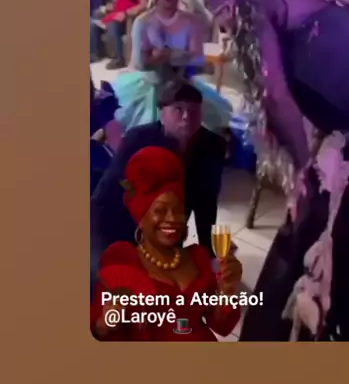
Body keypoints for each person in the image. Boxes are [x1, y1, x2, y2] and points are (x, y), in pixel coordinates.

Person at [201, 0, 349, 342]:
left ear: (228, 3)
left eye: (219, 16)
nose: (224, 30)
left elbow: (275, 96)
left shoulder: (253, 7)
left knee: (330, 243)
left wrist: (303, 169)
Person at [91, 146, 242, 341]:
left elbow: (220, 325)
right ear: (141, 217)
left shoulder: (197, 258)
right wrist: (106, 322)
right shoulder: (123, 261)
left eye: (178, 210)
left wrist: (227, 290)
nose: (172, 219)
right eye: (160, 210)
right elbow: (100, 332)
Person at [90, 80, 228, 293]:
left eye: (193, 110)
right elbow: (108, 195)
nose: (186, 117)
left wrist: (208, 255)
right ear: (162, 114)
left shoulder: (213, 146)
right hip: (117, 218)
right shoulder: (138, 139)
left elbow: (207, 204)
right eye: (178, 109)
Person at [130, 0, 204, 80]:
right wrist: (181, 56)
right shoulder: (142, 22)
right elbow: (140, 64)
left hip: (183, 83)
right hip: (149, 84)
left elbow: (198, 61)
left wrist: (165, 55)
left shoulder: (193, 22)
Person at [90, 0, 147, 69]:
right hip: (116, 16)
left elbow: (143, 6)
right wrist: (105, 9)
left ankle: (120, 59)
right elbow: (114, 6)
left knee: (113, 24)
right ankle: (94, 54)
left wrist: (126, 13)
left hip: (126, 22)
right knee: (93, 25)